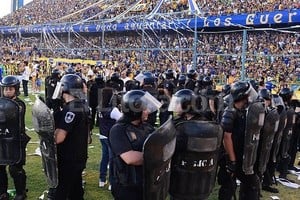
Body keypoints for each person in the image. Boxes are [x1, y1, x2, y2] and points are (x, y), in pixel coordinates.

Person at [168, 89, 222, 200]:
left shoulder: (201, 126)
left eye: (178, 102)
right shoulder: (179, 122)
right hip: (183, 178)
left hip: (193, 178)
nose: (175, 105)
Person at [109, 90, 161, 200]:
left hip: (145, 183)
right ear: (135, 110)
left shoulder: (147, 127)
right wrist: (160, 155)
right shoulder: (118, 130)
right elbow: (130, 158)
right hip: (127, 187)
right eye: (145, 109)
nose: (148, 111)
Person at [49, 74, 91, 200]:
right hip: (80, 157)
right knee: (76, 191)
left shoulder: (70, 109)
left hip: (68, 158)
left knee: (62, 191)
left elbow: (59, 138)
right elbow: (88, 138)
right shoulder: (83, 105)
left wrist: (56, 114)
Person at [220, 81, 263, 200]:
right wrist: (232, 160)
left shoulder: (243, 111)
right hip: (233, 156)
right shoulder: (230, 113)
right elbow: (226, 137)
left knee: (249, 185)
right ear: (242, 97)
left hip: (241, 154)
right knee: (238, 185)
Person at [0, 75, 31, 200]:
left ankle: (21, 192)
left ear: (16, 89)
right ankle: (2, 192)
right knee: (0, 167)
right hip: (2, 139)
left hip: (16, 141)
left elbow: (9, 115)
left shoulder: (20, 104)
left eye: (10, 89)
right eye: (5, 89)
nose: (7, 91)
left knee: (15, 169)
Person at [98, 87, 122, 188]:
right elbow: (122, 119)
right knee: (113, 160)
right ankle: (112, 182)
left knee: (104, 158)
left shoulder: (100, 107)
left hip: (102, 135)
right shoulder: (113, 110)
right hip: (111, 137)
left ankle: (102, 180)